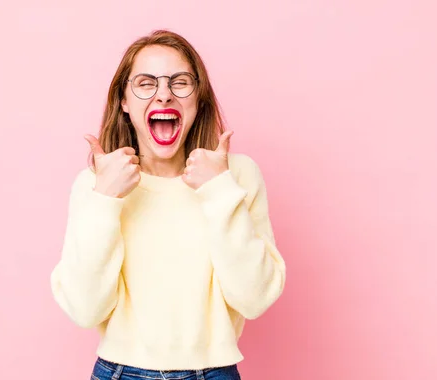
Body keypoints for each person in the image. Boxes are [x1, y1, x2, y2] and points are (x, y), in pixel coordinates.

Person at [50, 29, 286, 380]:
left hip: (214, 372)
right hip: (119, 372)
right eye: (146, 83)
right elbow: (85, 310)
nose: (164, 95)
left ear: (199, 99)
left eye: (180, 82)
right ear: (124, 102)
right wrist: (104, 201)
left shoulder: (236, 175)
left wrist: (219, 191)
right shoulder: (95, 184)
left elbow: (254, 298)